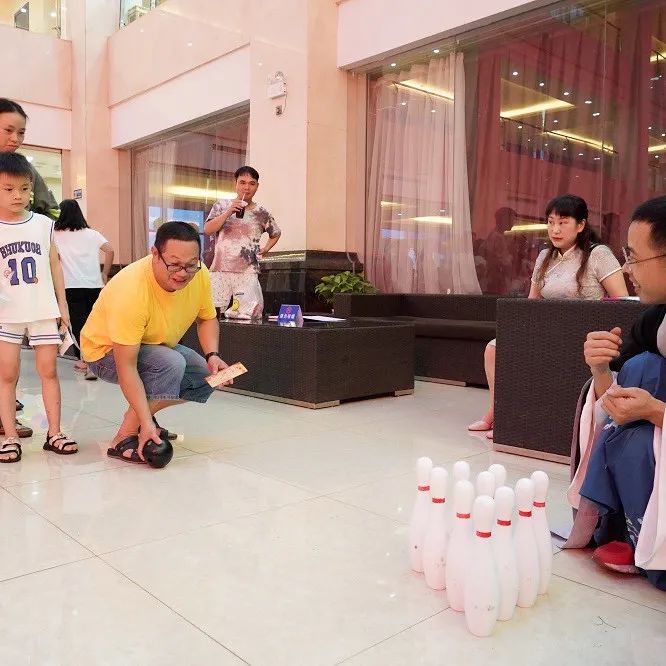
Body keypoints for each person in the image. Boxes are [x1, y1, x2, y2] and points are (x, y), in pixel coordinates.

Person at [566, 195, 666, 589]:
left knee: (640, 440)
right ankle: (630, 530)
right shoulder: (656, 321)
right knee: (641, 368)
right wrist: (600, 368)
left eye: (634, 258)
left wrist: (658, 412)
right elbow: (615, 396)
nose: (626, 269)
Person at [468, 194, 628, 439]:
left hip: (582, 334)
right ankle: (498, 412)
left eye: (563, 222)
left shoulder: (598, 254)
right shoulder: (545, 257)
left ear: (581, 225)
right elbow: (533, 303)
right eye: (551, 222)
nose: (555, 229)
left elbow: (622, 302)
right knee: (494, 348)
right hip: (546, 331)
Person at [81, 221, 231, 465]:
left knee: (208, 376)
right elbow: (127, 366)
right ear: (155, 254)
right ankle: (123, 437)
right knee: (170, 363)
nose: (183, 273)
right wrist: (143, 419)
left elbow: (207, 318)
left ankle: (142, 419)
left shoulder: (200, 274)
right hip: (104, 352)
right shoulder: (131, 289)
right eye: (174, 264)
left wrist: (212, 354)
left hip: (155, 344)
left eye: (191, 264)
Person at [0, 153, 77, 463]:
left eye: (24, 188)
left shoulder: (44, 225)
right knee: (7, 375)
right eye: (8, 189)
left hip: (43, 309)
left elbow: (55, 266)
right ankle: (9, 436)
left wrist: (63, 307)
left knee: (49, 371)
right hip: (6, 313)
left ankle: (54, 433)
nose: (17, 195)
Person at [0, 97, 59, 437]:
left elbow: (49, 209)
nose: (15, 138)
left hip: (17, 284)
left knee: (8, 365)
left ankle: (6, 420)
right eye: (8, 130)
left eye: (21, 132)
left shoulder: (25, 170)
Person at [204, 166, 281, 319]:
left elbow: (276, 233)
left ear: (257, 186)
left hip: (248, 270)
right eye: (242, 182)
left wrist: (266, 248)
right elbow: (208, 229)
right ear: (235, 184)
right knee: (212, 314)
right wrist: (228, 212)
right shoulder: (221, 206)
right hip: (220, 268)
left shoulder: (262, 212)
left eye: (252, 183)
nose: (247, 187)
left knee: (247, 314)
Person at [54, 199, 114, 379]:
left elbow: (54, 260)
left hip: (71, 286)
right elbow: (110, 250)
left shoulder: (55, 235)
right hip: (94, 285)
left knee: (78, 325)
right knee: (94, 324)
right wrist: (105, 273)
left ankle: (88, 363)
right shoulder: (92, 234)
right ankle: (94, 361)